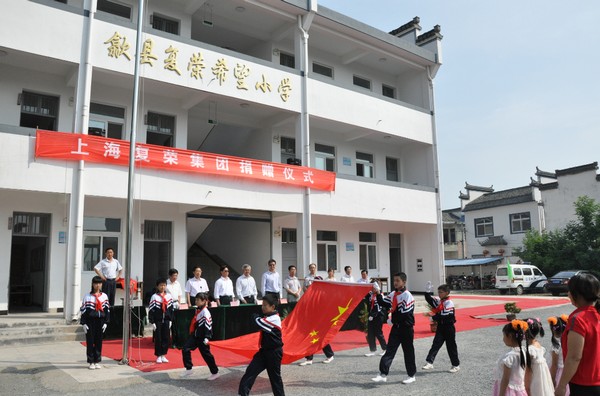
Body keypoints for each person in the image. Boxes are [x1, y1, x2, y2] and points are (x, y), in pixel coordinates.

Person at [555, 273, 600, 396]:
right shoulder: (596, 315)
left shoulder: (578, 319)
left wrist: (562, 385)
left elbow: (574, 357)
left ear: (577, 294)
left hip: (584, 384)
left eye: (569, 291)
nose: (568, 294)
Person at [372, 272, 416, 384]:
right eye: (394, 280)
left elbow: (405, 314)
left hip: (406, 328)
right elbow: (383, 303)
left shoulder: (407, 295)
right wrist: (378, 292)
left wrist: (392, 320)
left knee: (408, 351)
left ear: (404, 282)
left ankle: (411, 375)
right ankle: (383, 374)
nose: (395, 283)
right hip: (396, 328)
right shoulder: (393, 294)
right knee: (390, 350)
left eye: (398, 281)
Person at [238, 294, 285, 396]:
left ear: (273, 307)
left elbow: (257, 323)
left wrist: (255, 316)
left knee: (275, 378)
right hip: (264, 352)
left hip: (274, 353)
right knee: (250, 371)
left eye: (265, 305)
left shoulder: (274, 319)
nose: (262, 307)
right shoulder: (268, 317)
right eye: (262, 305)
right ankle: (242, 394)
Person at [180, 292, 220, 380]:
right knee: (185, 348)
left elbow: (208, 325)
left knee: (207, 355)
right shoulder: (198, 309)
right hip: (195, 335)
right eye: (196, 299)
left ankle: (215, 372)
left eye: (198, 300)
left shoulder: (206, 312)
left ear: (204, 301)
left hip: (203, 338)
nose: (196, 301)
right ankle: (189, 369)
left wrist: (207, 337)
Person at [421, 283, 460, 373]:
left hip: (449, 327)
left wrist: (432, 317)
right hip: (441, 327)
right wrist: (427, 292)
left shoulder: (449, 303)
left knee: (451, 346)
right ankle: (429, 362)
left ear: (447, 293)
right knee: (435, 344)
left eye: (441, 292)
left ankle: (455, 365)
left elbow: (445, 316)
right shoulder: (440, 301)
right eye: (438, 292)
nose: (439, 294)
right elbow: (430, 301)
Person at [299, 265, 332, 366]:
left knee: (320, 336)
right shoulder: (309, 295)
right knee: (310, 336)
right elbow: (304, 289)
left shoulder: (322, 296)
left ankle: (329, 355)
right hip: (311, 318)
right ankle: (309, 358)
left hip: (320, 319)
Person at [492, 320, 528, 396]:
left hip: (508, 392)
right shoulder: (524, 351)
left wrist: (501, 394)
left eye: (504, 335)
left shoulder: (510, 357)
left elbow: (505, 379)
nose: (503, 338)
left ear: (510, 336)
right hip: (520, 389)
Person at [80, 276, 109, 370]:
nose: (98, 285)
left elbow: (107, 310)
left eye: (100, 283)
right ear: (92, 284)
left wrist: (106, 322)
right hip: (90, 321)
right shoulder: (87, 296)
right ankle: (91, 361)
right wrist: (83, 323)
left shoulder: (104, 296)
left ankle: (97, 360)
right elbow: (83, 311)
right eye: (96, 283)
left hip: (100, 321)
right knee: (90, 341)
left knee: (98, 341)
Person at [523, 317, 554, 395]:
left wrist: (526, 387)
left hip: (534, 381)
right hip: (542, 381)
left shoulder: (530, 350)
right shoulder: (538, 345)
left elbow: (528, 371)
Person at [149, 278, 174, 364]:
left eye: (164, 285)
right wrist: (152, 321)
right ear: (157, 286)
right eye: (161, 285)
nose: (162, 287)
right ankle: (158, 355)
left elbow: (171, 309)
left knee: (166, 337)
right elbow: (151, 310)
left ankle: (164, 354)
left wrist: (170, 319)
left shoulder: (169, 296)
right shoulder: (154, 297)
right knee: (158, 338)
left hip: (166, 320)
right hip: (158, 320)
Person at [547, 314, 569, 394]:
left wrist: (552, 380)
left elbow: (554, 365)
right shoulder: (569, 341)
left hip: (559, 374)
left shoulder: (555, 346)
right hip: (569, 371)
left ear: (553, 330)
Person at [364, 281, 387, 357]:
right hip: (371, 316)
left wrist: (373, 315)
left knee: (378, 333)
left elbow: (379, 308)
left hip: (378, 316)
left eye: (373, 287)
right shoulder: (370, 295)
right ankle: (372, 350)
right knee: (370, 333)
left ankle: (385, 349)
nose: (372, 289)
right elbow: (366, 299)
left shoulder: (381, 296)